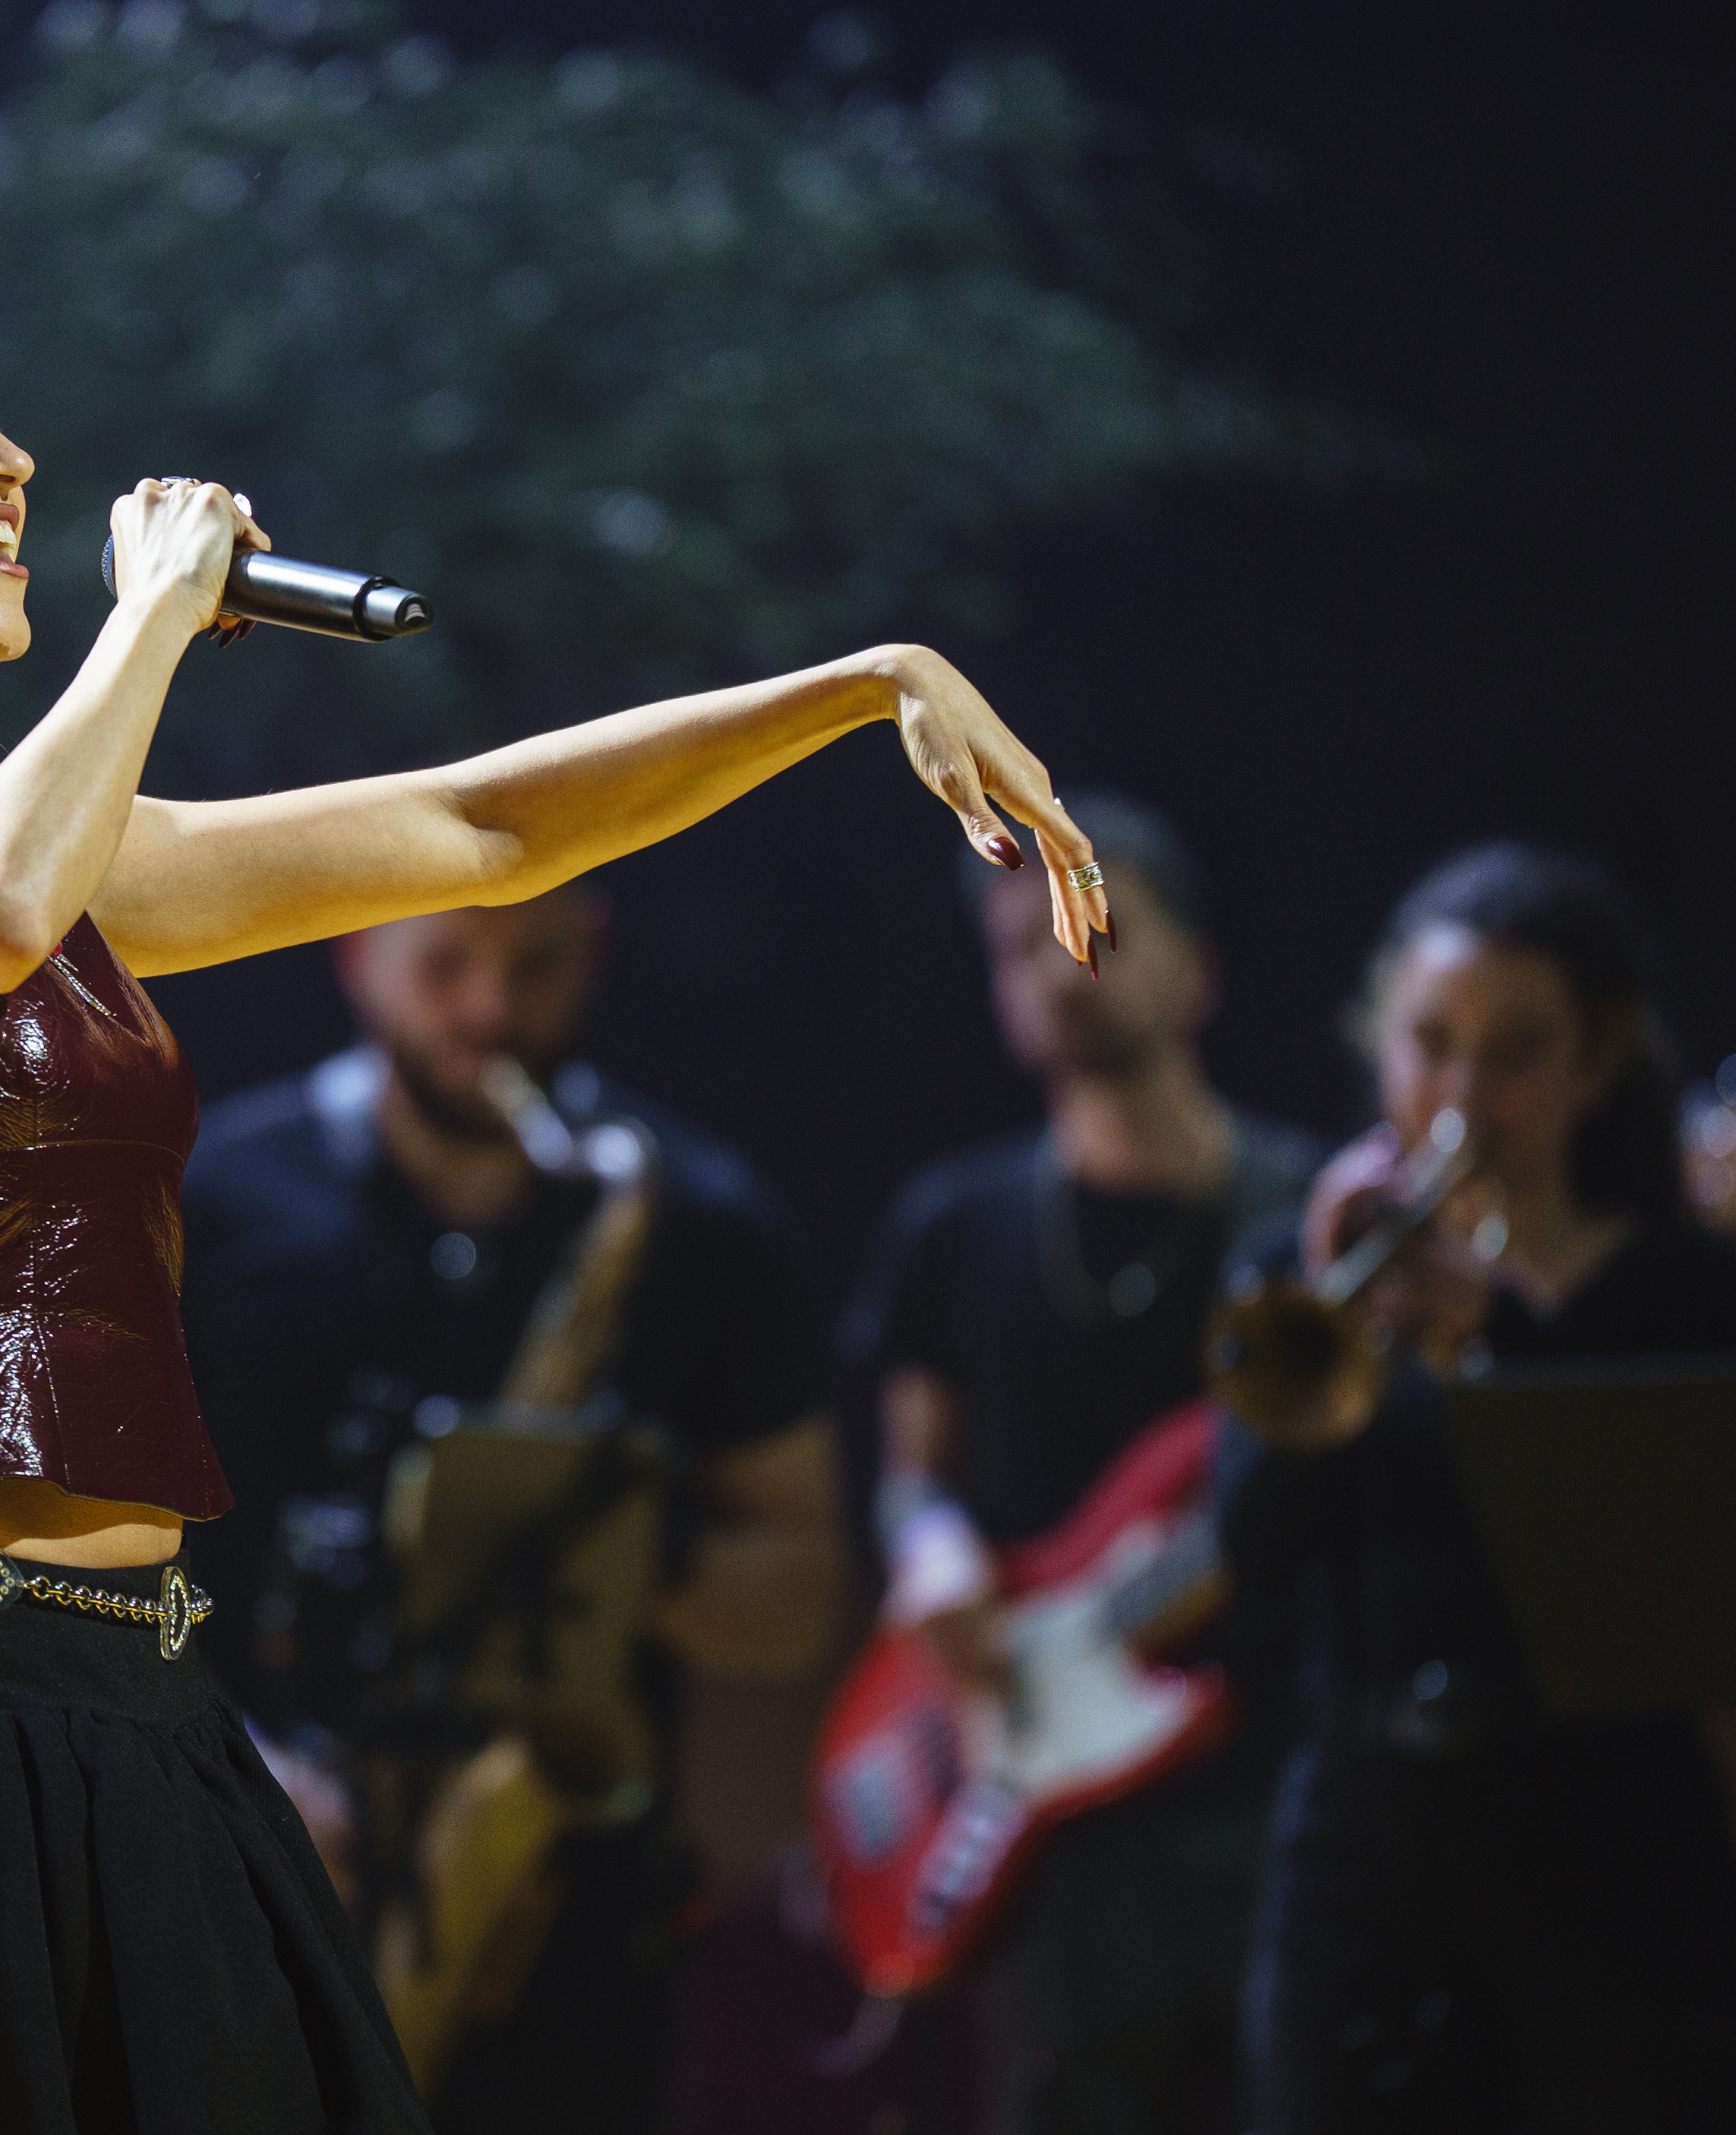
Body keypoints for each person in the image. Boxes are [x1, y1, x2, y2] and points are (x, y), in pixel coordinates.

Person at [0, 272, 1115, 2135]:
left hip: (136, 1710)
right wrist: (157, 615)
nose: (3, 453)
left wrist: (855, 687)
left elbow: (480, 835)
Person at [177, 886, 841, 2131]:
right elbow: (84, 1567)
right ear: (357, 952)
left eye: (536, 967)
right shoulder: (208, 1206)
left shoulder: (696, 1219)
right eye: (448, 966)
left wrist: (607, 1547)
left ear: (594, 955)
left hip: (576, 1922)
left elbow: (800, 1597)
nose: (492, 1009)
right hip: (257, 1875)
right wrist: (240, 1782)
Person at [1218, 844, 1736, 2133]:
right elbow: (1248, 1557)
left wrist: (1496, 1347)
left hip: (1610, 1845)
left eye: (1513, 1053)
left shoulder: (1686, 1287)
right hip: (1361, 1832)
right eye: (1428, 1042)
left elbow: (1654, 1577)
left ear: (1594, 1063)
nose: (1459, 1095)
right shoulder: (1303, 1262)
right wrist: (1334, 1328)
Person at [844, 797, 1316, 2135]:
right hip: (1050, 1804)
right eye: (1010, 946)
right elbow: (912, 1476)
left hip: (1270, 1780)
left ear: (1202, 970)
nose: (1048, 967)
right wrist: (931, 1561)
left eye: (1083, 925)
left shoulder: (1304, 1213)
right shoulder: (954, 1223)